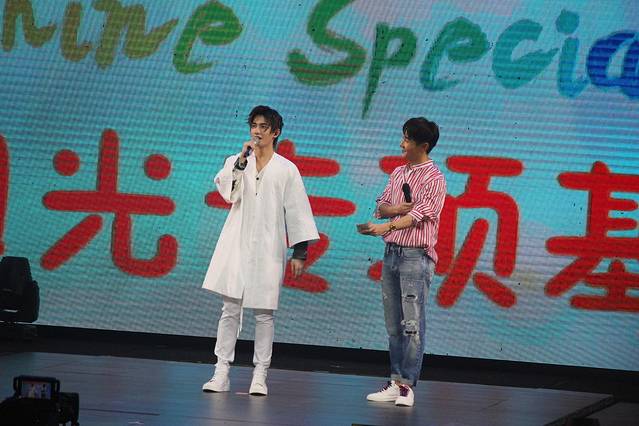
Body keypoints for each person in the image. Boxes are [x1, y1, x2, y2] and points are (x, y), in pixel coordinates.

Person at [201, 105, 319, 396]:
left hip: (268, 246)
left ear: (275, 132)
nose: (257, 131)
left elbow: (298, 211)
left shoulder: (286, 169)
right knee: (230, 309)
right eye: (254, 125)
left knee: (264, 313)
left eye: (263, 127)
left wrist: (300, 253)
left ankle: (260, 374)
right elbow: (228, 194)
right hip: (237, 243)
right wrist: (241, 162)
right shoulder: (237, 161)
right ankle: (221, 371)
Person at [358, 117, 446, 407]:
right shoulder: (398, 172)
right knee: (393, 324)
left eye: (407, 139)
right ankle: (395, 381)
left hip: (415, 256)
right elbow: (381, 205)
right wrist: (394, 210)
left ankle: (407, 385)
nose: (401, 144)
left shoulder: (435, 178)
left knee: (412, 324)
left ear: (423, 145)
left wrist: (387, 225)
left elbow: (418, 216)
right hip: (392, 253)